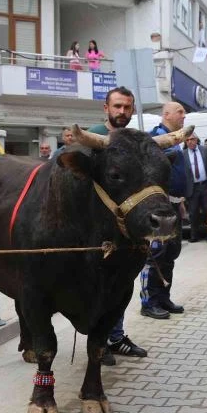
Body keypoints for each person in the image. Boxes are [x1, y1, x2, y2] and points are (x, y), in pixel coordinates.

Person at [83, 87, 147, 366]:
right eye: (117, 106)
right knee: (97, 286)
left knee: (121, 284)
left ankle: (116, 337)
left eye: (127, 107)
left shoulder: (134, 140)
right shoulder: (93, 134)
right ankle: (98, 341)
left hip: (124, 228)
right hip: (94, 228)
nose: (122, 112)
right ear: (105, 107)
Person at [141, 102, 188, 319]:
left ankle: (163, 297)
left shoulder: (175, 136)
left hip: (175, 205)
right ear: (166, 114)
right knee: (156, 254)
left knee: (170, 254)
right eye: (180, 111)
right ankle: (148, 303)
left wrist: (181, 203)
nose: (184, 115)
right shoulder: (155, 138)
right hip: (161, 209)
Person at [184, 132, 207, 243]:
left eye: (192, 139)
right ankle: (194, 235)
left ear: (196, 140)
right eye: (187, 140)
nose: (190, 142)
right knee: (193, 213)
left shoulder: (205, 150)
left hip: (205, 185)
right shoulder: (183, 154)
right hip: (192, 188)